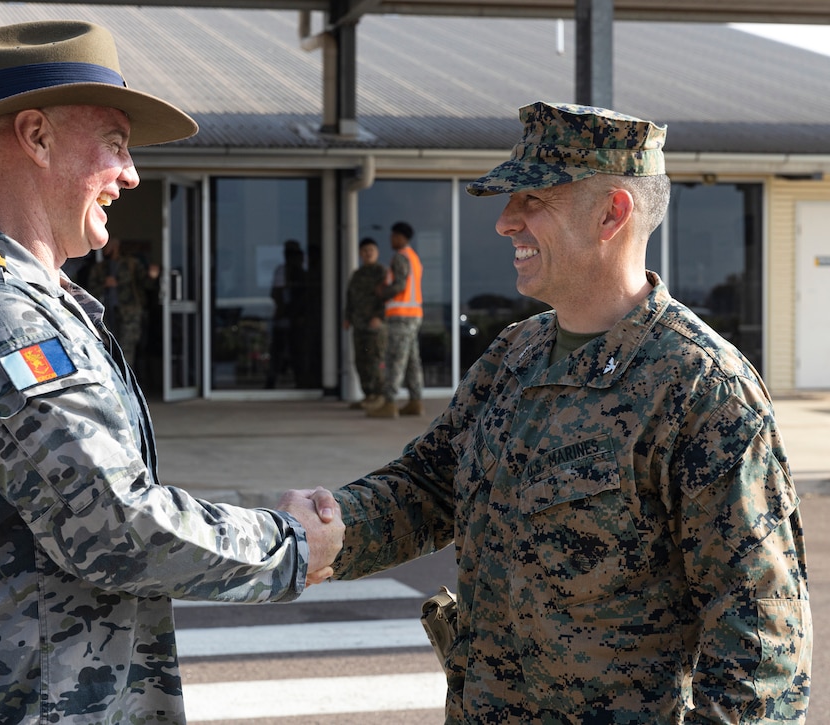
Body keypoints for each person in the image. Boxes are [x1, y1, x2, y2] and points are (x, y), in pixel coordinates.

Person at [0, 20, 343, 724]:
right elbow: (114, 526)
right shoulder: (0, 314)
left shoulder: (27, 300)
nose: (131, 173)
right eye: (117, 141)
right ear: (36, 137)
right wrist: (287, 543)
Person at [307, 102, 811, 720]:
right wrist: (333, 531)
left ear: (611, 213)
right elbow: (428, 489)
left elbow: (760, 645)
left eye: (533, 200)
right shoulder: (515, 355)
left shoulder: (701, 390)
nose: (504, 223)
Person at [367, 220, 424, 418]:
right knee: (411, 361)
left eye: (393, 236)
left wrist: (382, 292)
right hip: (413, 315)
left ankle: (389, 403)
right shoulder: (414, 258)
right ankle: (415, 401)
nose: (391, 240)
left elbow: (399, 285)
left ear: (401, 237)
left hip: (401, 316)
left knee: (394, 359)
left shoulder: (400, 257)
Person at [86, 237, 158, 368]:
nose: (104, 249)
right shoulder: (99, 268)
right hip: (106, 315)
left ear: (115, 246)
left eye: (107, 246)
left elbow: (146, 284)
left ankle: (125, 385)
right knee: (108, 348)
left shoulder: (132, 264)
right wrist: (104, 284)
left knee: (127, 349)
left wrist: (152, 276)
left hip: (129, 313)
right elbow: (89, 291)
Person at [343, 237, 387, 409]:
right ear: (360, 254)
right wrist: (347, 317)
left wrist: (380, 316)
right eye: (365, 251)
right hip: (358, 324)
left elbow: (387, 298)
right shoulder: (357, 275)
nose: (368, 254)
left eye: (371, 250)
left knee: (375, 360)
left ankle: (379, 395)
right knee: (360, 360)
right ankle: (368, 394)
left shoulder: (381, 273)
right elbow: (350, 298)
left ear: (377, 253)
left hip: (375, 325)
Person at [265, 239, 307, 388]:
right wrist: (282, 311)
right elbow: (276, 293)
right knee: (278, 351)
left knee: (297, 353)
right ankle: (272, 380)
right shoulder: (281, 271)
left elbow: (304, 297)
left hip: (297, 319)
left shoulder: (302, 274)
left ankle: (300, 381)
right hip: (283, 318)